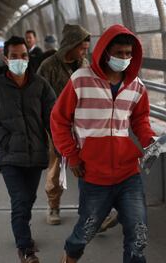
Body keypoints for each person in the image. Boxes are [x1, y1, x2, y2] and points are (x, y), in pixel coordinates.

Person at [51, 24, 155, 263]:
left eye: (129, 54)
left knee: (138, 233)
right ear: (105, 53)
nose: (125, 58)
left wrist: (151, 141)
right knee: (86, 230)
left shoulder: (137, 86)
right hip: (93, 173)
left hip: (128, 172)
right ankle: (70, 256)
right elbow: (59, 119)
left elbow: (140, 120)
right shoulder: (80, 81)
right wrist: (72, 155)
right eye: (119, 53)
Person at [0, 36, 56, 263]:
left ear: (27, 57)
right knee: (20, 199)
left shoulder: (40, 85)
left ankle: (21, 229)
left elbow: (53, 117)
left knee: (28, 199)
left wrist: (60, 144)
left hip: (35, 154)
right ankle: (26, 248)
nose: (19, 60)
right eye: (14, 56)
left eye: (23, 56)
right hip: (8, 155)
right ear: (5, 58)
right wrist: (5, 140)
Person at [37, 24, 90, 225]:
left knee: (86, 166)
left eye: (86, 49)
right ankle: (53, 207)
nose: (84, 52)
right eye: (81, 48)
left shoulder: (83, 64)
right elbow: (38, 96)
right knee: (55, 167)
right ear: (71, 44)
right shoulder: (48, 66)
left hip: (82, 124)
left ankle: (91, 209)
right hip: (55, 125)